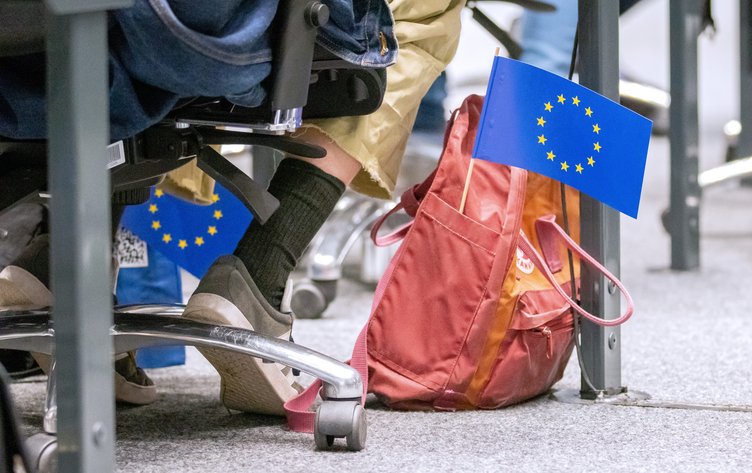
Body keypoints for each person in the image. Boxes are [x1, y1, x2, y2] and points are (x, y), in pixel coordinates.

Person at [0, 0, 467, 413]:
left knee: (94, 29)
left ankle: (64, 264)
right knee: (423, 7)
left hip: (18, 59)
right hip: (191, 43)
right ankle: (259, 274)